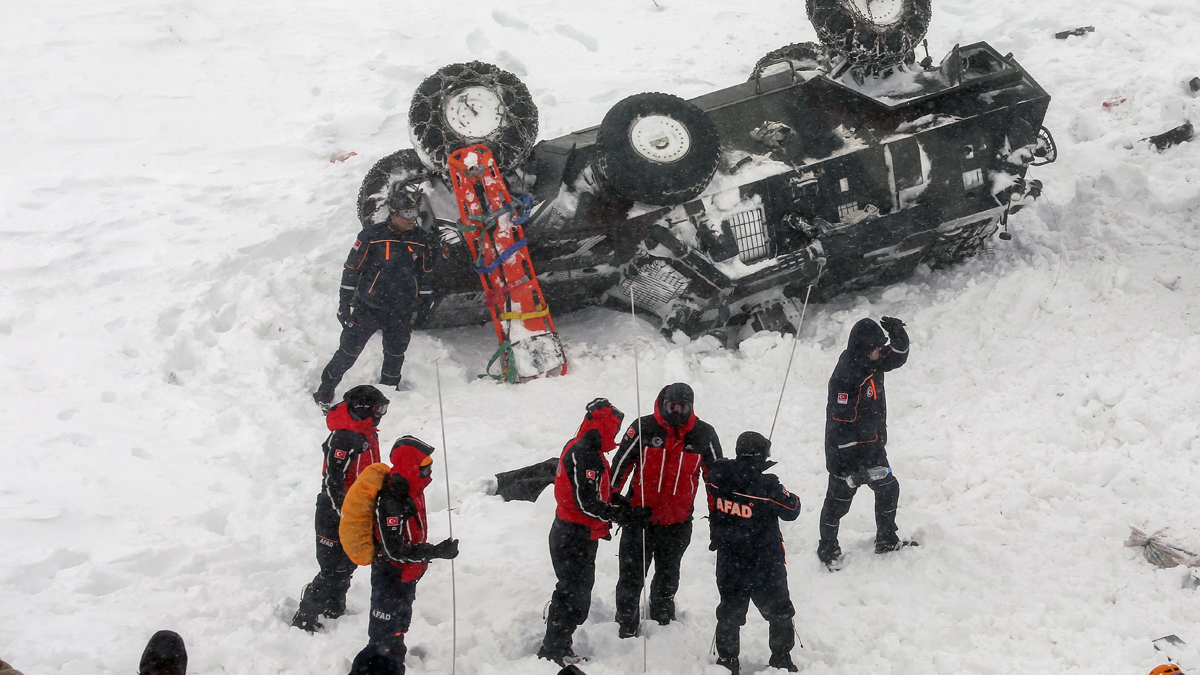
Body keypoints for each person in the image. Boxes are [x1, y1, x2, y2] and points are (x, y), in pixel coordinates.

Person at [537, 399, 652, 666]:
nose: (617, 434)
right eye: (615, 428)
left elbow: (601, 491)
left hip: (581, 535)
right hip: (571, 535)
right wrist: (622, 514)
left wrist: (621, 503)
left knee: (576, 592)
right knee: (572, 595)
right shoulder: (583, 452)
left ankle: (558, 641)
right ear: (604, 426)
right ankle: (554, 648)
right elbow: (586, 502)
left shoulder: (591, 449)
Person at [609, 383, 722, 637]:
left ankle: (662, 618)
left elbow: (716, 480)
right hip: (639, 519)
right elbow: (619, 467)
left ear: (691, 407)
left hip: (678, 522)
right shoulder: (643, 427)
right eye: (672, 407)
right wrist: (615, 503)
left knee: (668, 576)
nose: (677, 412)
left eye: (683, 408)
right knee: (630, 577)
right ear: (663, 404)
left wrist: (718, 519)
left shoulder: (705, 435)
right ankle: (625, 622)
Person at [313, 180, 435, 410]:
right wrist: (344, 303)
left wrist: (425, 303)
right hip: (369, 307)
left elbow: (425, 273)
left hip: (401, 310)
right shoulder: (372, 236)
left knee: (395, 354)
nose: (412, 218)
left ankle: (388, 395)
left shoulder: (419, 239)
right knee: (348, 352)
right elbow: (351, 270)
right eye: (407, 213)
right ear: (394, 214)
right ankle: (324, 391)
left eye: (415, 213)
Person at [817, 316, 915, 569]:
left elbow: (898, 357)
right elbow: (842, 427)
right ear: (863, 348)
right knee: (838, 504)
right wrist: (855, 468)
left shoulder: (871, 362)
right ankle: (827, 548)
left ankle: (886, 539)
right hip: (845, 456)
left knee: (888, 489)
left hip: (872, 447)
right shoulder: (847, 378)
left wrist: (897, 335)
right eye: (877, 347)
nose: (881, 351)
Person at [292, 385, 390, 632]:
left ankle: (334, 606)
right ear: (364, 409)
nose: (381, 414)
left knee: (348, 563)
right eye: (379, 409)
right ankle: (306, 614)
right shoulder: (344, 437)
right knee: (331, 569)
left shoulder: (367, 433)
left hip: (357, 511)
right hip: (333, 512)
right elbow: (332, 480)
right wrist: (343, 512)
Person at [706, 432, 801, 674]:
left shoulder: (718, 475)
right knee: (780, 613)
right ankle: (781, 660)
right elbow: (792, 508)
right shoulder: (767, 485)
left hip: (729, 561)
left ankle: (727, 662)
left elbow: (722, 475)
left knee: (729, 613)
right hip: (764, 564)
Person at [365, 435, 459, 665]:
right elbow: (394, 550)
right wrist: (434, 551)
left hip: (407, 575)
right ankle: (378, 665)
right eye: (424, 467)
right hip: (391, 576)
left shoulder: (413, 489)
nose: (429, 473)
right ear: (411, 466)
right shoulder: (392, 500)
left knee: (399, 623)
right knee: (382, 633)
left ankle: (394, 655)